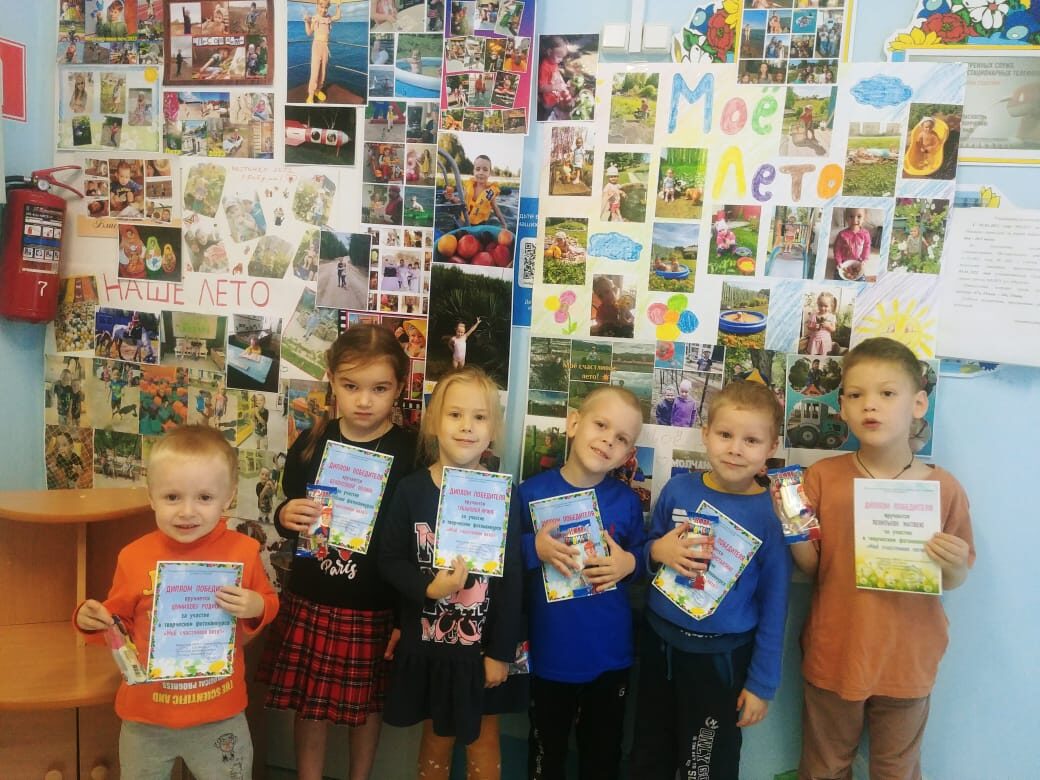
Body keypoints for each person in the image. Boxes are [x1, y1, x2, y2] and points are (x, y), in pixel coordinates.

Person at [787, 337, 974, 778]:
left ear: (919, 404)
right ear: (842, 407)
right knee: (824, 766)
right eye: (855, 395)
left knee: (897, 770)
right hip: (836, 651)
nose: (870, 405)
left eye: (887, 393)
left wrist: (954, 564)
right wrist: (792, 527)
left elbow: (954, 578)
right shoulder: (822, 478)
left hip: (908, 658)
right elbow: (813, 569)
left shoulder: (944, 487)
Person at [258, 325, 418, 780]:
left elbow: (415, 538)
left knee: (365, 709)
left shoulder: (411, 452)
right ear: (331, 379)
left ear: (399, 387)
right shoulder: (313, 441)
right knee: (310, 707)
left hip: (375, 605)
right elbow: (291, 507)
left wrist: (405, 616)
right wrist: (284, 514)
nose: (364, 401)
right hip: (313, 595)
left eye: (379, 388)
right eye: (351, 386)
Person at [73, 426, 279, 778]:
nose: (187, 511)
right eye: (172, 497)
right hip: (147, 718)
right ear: (151, 497)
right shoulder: (133, 556)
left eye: (204, 497)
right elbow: (117, 622)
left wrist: (256, 606)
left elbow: (269, 603)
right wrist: (90, 619)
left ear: (228, 497)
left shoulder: (244, 551)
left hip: (219, 714)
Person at [630, 381, 791, 778]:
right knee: (648, 753)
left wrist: (762, 684)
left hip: (722, 659)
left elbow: (775, 604)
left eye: (751, 440)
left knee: (705, 764)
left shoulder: (772, 516)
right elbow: (649, 549)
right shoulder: (678, 490)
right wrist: (658, 552)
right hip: (659, 643)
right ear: (705, 434)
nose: (735, 449)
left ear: (771, 447)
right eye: (725, 434)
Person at [379, 366, 526, 779]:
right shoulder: (411, 490)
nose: (466, 426)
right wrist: (428, 587)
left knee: (484, 741)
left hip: (482, 652)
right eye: (455, 415)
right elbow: (389, 559)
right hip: (431, 649)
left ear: (492, 429)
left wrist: (500, 652)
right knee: (436, 740)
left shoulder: (503, 495)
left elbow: (512, 580)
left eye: (479, 417)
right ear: (433, 423)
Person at [520, 386, 645, 780]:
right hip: (549, 654)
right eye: (601, 425)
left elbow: (643, 560)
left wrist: (630, 563)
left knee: (603, 757)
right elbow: (502, 560)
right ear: (574, 423)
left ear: (628, 454)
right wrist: (533, 548)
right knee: (546, 757)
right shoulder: (530, 493)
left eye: (621, 438)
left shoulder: (626, 502)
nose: (608, 440)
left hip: (610, 656)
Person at [304, 0, 342, 104]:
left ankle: (318, 90)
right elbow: (309, 33)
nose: (324, 10)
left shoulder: (328, 18)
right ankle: (311, 95)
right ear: (317, 6)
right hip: (316, 47)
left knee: (323, 72)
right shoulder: (314, 18)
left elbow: (338, 16)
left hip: (325, 47)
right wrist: (306, 22)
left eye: (326, 8)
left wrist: (338, 6)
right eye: (322, 7)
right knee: (315, 72)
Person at [460, 155, 506, 226]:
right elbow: (461, 202)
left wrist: (504, 224)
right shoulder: (468, 186)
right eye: (478, 169)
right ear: (473, 171)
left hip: (480, 225)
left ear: (489, 173)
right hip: (464, 221)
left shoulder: (490, 193)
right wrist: (452, 198)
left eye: (485, 170)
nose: (481, 172)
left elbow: (496, 210)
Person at [538, 36, 573, 121]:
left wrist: (562, 81)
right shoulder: (544, 67)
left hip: (555, 96)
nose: (561, 60)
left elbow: (555, 72)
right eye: (559, 57)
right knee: (548, 115)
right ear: (549, 52)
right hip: (548, 101)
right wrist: (557, 87)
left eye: (562, 57)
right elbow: (541, 88)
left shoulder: (553, 61)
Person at [833, 208, 870, 280]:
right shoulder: (842, 234)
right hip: (843, 262)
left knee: (861, 279)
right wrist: (838, 261)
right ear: (846, 218)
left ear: (864, 218)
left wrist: (864, 260)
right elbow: (837, 249)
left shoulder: (865, 234)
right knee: (838, 276)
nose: (855, 220)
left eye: (859, 216)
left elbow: (867, 247)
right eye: (851, 216)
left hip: (859, 261)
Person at [807, 291, 838, 356]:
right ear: (818, 304)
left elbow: (833, 329)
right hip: (814, 340)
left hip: (825, 341)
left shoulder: (832, 317)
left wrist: (828, 326)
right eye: (820, 305)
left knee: (823, 356)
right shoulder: (813, 315)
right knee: (812, 356)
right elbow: (809, 327)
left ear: (831, 306)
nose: (822, 308)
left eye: (826, 306)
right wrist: (814, 327)